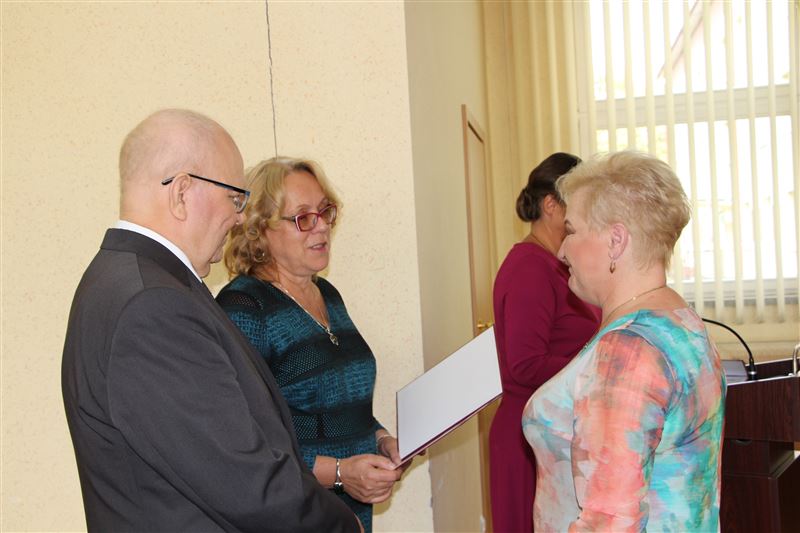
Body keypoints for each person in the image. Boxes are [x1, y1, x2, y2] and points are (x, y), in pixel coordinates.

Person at [61, 110, 360, 533]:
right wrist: (339, 525)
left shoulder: (125, 278)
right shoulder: (153, 305)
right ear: (182, 193)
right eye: (235, 199)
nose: (239, 218)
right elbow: (246, 483)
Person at [523, 151, 726, 531]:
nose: (562, 250)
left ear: (615, 241)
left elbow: (608, 523)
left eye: (572, 231)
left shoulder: (627, 352)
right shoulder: (679, 320)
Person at [216, 157, 404, 533]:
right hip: (294, 514)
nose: (322, 227)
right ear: (260, 229)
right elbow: (243, 441)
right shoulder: (244, 308)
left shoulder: (327, 294)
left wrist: (381, 439)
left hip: (350, 513)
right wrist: (340, 473)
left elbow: (340, 402)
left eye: (325, 211)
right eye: (303, 217)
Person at [489, 153, 600, 533]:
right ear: (551, 205)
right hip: (527, 437)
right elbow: (526, 364)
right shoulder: (529, 268)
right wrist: (599, 364)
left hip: (554, 426)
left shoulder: (558, 263)